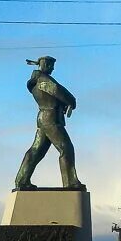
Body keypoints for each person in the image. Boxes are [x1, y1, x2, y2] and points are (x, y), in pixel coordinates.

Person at [14, 56, 84, 190]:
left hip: (44, 117)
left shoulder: (37, 80)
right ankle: (70, 182)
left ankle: (22, 180)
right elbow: (57, 90)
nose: (52, 68)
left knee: (36, 151)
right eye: (50, 65)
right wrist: (71, 101)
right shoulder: (43, 80)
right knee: (66, 148)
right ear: (44, 64)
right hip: (50, 118)